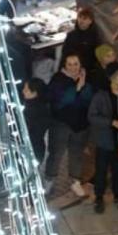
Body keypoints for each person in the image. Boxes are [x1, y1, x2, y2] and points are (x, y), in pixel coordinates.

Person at [45, 53, 95, 197]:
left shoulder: (86, 78)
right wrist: (77, 89)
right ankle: (50, 180)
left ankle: (75, 180)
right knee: (56, 153)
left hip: (81, 124)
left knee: (76, 154)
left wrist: (82, 88)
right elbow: (59, 102)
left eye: (76, 64)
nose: (73, 67)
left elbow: (88, 100)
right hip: (61, 123)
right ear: (64, 65)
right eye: (70, 64)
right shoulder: (58, 80)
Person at [88, 66, 118, 213]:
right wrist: (112, 123)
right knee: (101, 170)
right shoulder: (101, 96)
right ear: (111, 78)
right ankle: (99, 197)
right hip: (105, 140)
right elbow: (92, 116)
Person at [22, 78, 51, 166]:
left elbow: (36, 134)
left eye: (26, 89)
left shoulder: (41, 111)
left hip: (33, 150)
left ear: (34, 93)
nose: (23, 91)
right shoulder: (28, 103)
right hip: (26, 147)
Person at [62, 8, 100, 72]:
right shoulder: (71, 35)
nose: (81, 21)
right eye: (80, 17)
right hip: (72, 68)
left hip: (88, 70)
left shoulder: (94, 37)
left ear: (90, 21)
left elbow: (95, 56)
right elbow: (65, 53)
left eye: (84, 18)